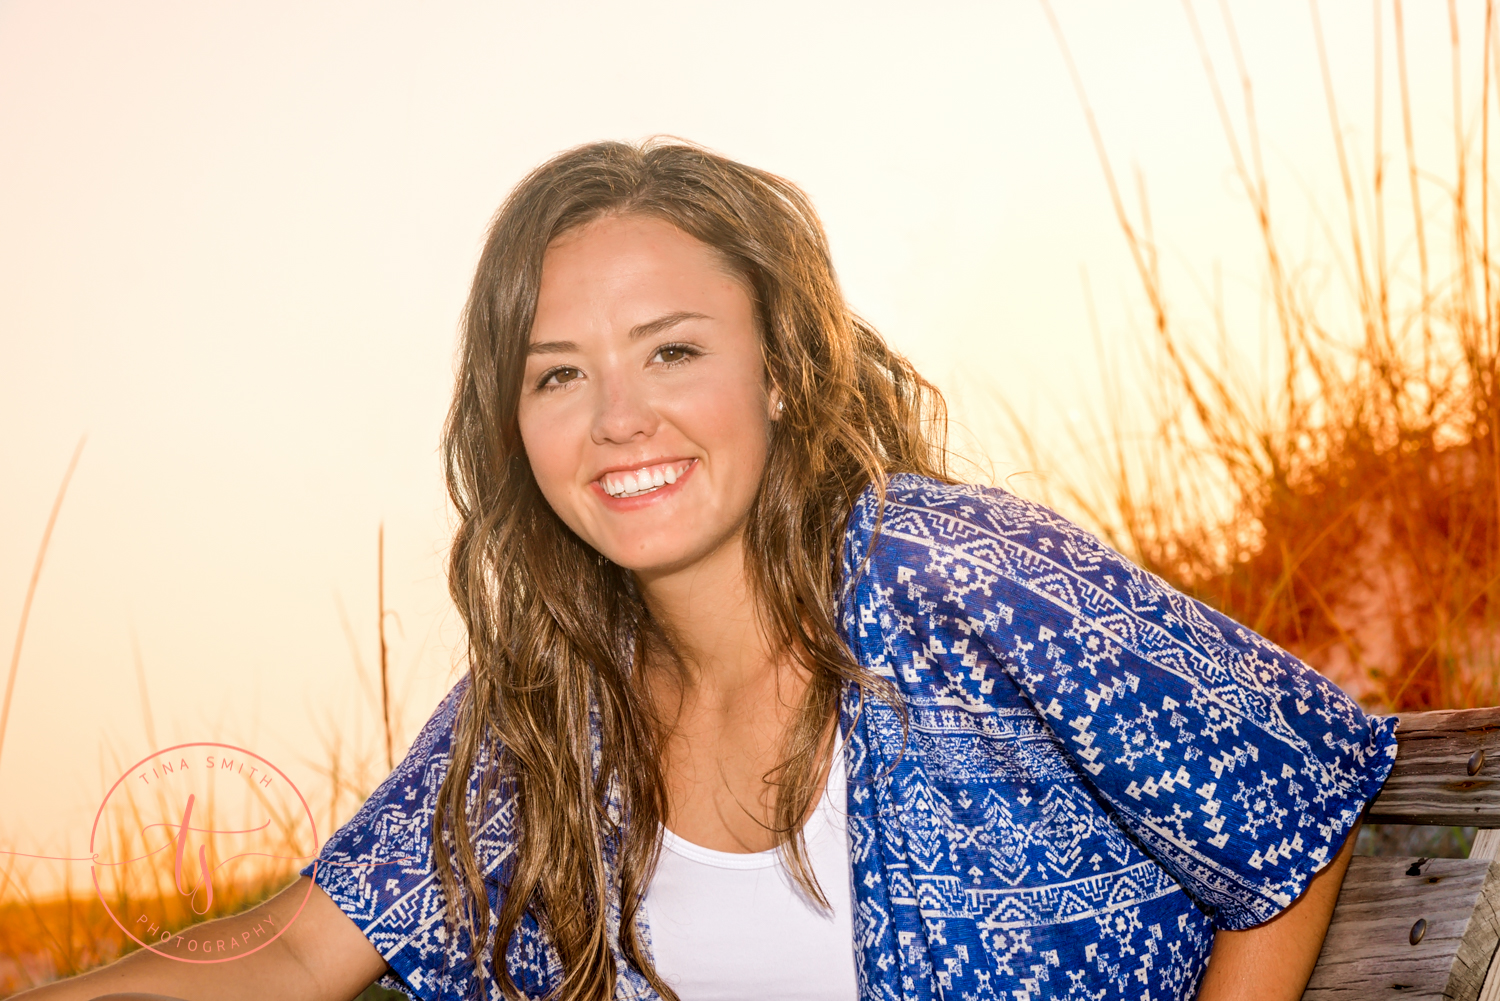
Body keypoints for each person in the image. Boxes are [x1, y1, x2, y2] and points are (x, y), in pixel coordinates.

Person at [23, 139, 1396, 1001]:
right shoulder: (544, 709)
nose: (620, 418)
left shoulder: (957, 574)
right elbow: (292, 952)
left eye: (674, 350)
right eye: (559, 373)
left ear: (786, 371)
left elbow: (1303, 792)